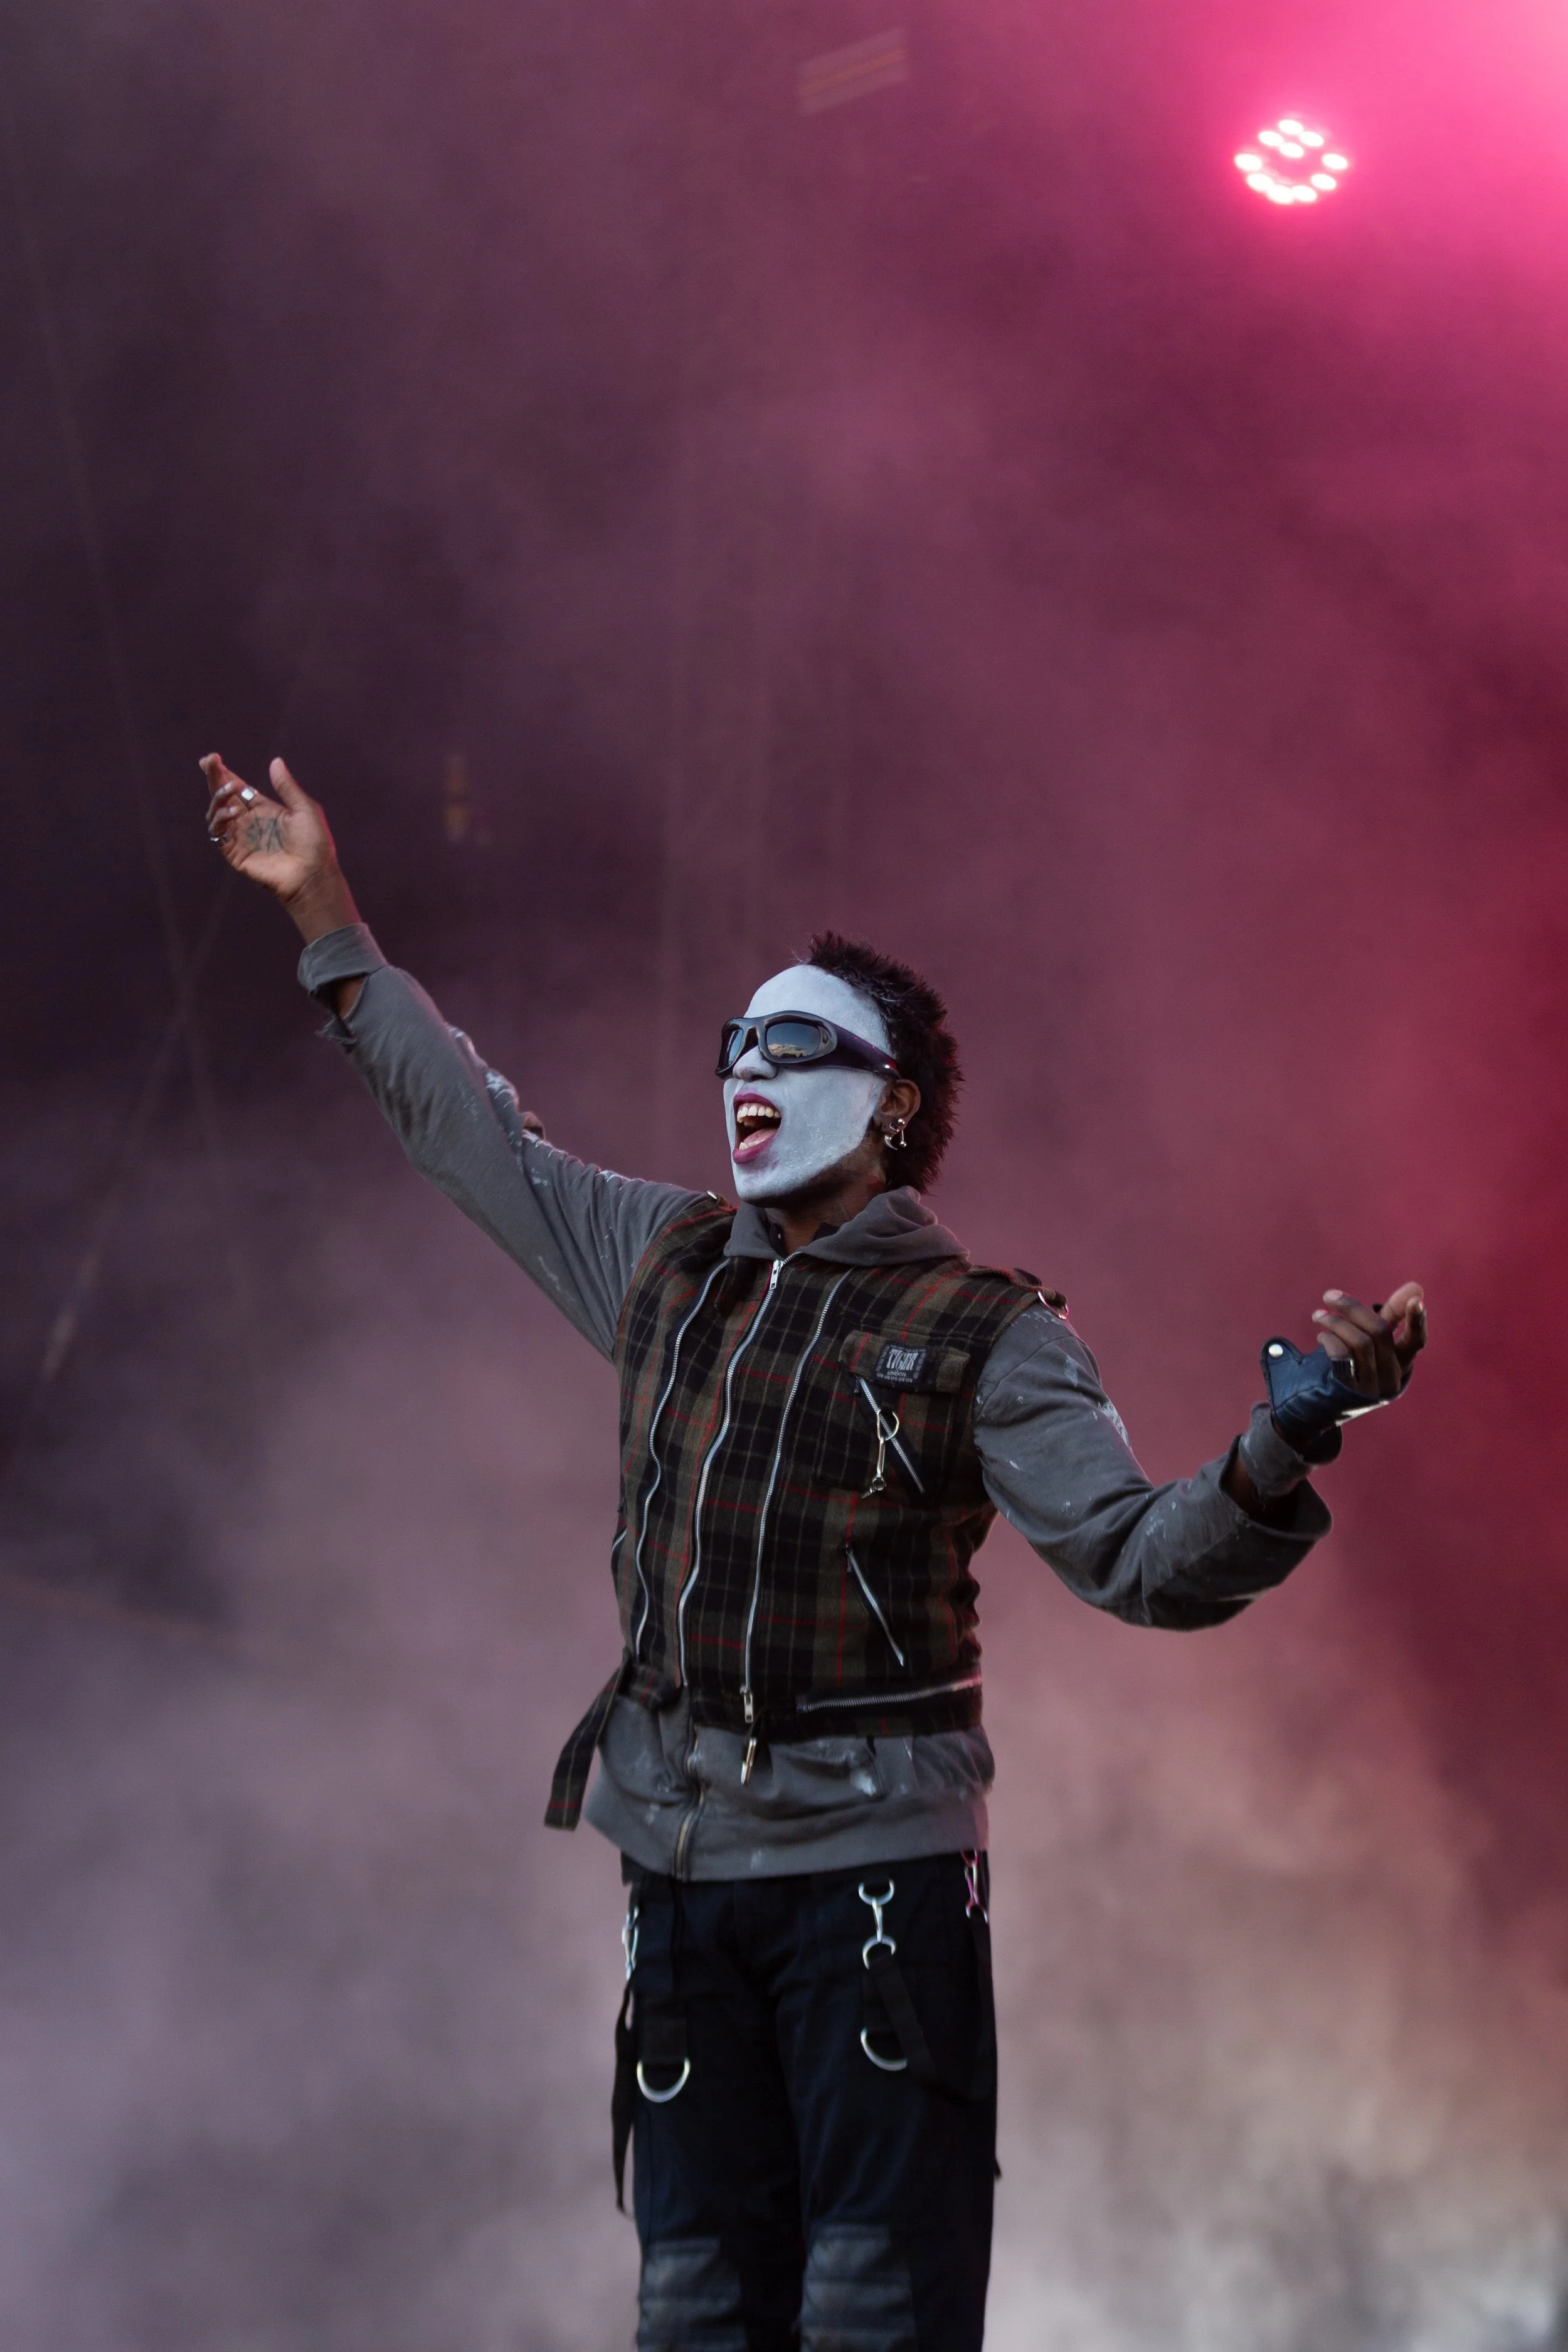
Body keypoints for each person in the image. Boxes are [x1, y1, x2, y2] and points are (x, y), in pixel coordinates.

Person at [201, 752, 1426, 2352]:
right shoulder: (667, 1261)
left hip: (872, 1898)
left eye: (792, 1045)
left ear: (890, 1102)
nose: (746, 1070)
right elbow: (472, 1138)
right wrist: (324, 910)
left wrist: (1287, 1438)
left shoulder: (983, 1330)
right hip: (682, 1885)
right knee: (697, 2311)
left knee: (870, 2314)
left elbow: (1137, 1561)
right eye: (735, 1043)